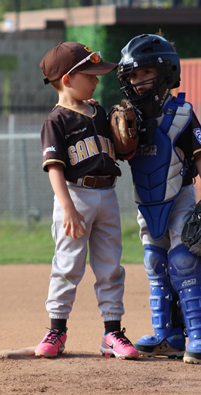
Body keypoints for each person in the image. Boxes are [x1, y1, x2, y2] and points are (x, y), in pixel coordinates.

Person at [116, 33, 201, 364]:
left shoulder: (182, 113)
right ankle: (168, 335)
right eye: (132, 76)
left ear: (166, 72)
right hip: (145, 204)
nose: (138, 81)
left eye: (144, 73)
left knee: (183, 262)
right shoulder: (129, 119)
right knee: (154, 264)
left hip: (181, 197)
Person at [37, 42, 139, 360]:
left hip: (107, 194)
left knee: (110, 268)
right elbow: (54, 167)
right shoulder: (56, 121)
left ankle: (112, 333)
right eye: (90, 75)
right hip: (75, 196)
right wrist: (66, 206)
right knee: (68, 266)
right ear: (67, 80)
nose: (97, 80)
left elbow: (122, 151)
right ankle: (56, 330)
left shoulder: (99, 112)